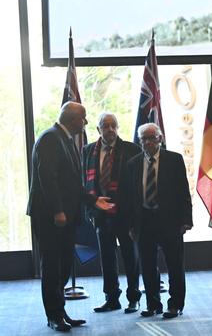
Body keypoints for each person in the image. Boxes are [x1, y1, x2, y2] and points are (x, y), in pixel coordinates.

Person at [27, 102, 114, 332]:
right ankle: (53, 316)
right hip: (50, 216)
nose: (85, 123)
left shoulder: (64, 140)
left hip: (65, 217)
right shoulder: (50, 138)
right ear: (71, 118)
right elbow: (48, 178)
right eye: (82, 118)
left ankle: (60, 311)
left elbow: (72, 183)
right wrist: (57, 210)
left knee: (64, 264)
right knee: (53, 266)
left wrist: (94, 200)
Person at [126, 123, 193, 318]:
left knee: (174, 264)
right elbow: (130, 198)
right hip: (144, 221)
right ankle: (153, 303)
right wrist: (131, 225)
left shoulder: (174, 159)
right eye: (143, 139)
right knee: (147, 265)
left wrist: (186, 219)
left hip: (170, 220)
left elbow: (183, 191)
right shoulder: (133, 163)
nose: (147, 142)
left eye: (151, 138)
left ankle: (175, 304)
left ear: (160, 139)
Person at [82, 112, 142, 313]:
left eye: (113, 125)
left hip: (125, 214)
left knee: (130, 257)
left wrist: (135, 215)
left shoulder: (131, 150)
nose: (110, 129)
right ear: (98, 129)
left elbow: (137, 185)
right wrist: (90, 210)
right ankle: (112, 298)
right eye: (105, 126)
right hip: (100, 215)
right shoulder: (88, 151)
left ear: (117, 128)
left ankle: (134, 297)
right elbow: (84, 183)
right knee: (107, 258)